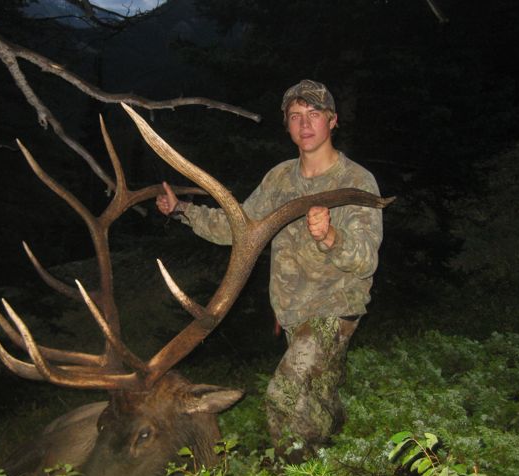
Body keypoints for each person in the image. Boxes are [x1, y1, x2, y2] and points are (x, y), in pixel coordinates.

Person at [156, 80, 383, 455]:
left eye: (314, 115)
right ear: (287, 125)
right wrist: (183, 210)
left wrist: (329, 237)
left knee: (283, 397)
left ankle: (293, 466)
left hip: (334, 309)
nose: (305, 124)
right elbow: (237, 228)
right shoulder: (278, 178)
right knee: (315, 399)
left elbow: (365, 261)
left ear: (333, 121)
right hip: (293, 312)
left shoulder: (357, 181)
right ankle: (333, 438)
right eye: (296, 116)